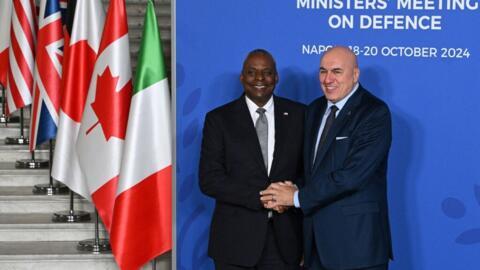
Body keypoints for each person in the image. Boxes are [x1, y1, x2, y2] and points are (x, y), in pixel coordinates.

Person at [260, 46, 393, 270]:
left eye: (337, 71)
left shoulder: (374, 113)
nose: (328, 79)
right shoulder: (314, 109)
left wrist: (295, 197)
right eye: (323, 71)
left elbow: (353, 176)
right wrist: (286, 192)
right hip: (315, 247)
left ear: (355, 74)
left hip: (356, 247)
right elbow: (312, 170)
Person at [199, 49, 304, 270]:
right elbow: (210, 179)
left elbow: (309, 172)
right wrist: (263, 198)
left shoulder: (300, 115)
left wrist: (291, 196)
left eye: (267, 73)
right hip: (234, 243)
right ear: (242, 77)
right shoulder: (219, 119)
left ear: (276, 77)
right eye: (251, 72)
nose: (259, 79)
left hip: (286, 242)